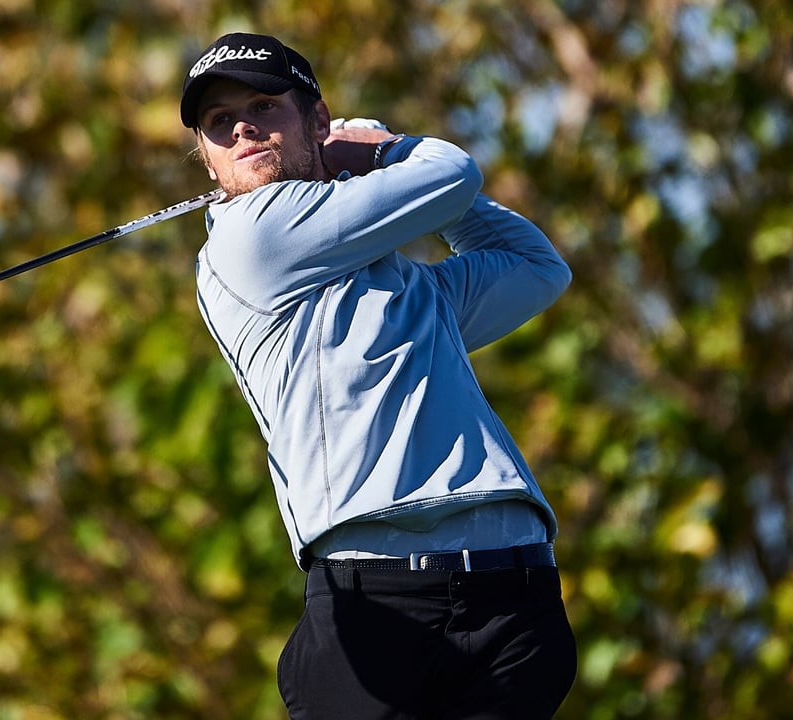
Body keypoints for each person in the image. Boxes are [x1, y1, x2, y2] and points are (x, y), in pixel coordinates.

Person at [179, 32, 578, 719]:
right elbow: (452, 172)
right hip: (378, 607)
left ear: (316, 120)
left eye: (264, 106)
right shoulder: (250, 239)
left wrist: (375, 162)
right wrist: (384, 151)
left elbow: (537, 267)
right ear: (208, 159)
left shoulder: (414, 292)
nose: (242, 127)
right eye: (220, 122)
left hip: (515, 596)